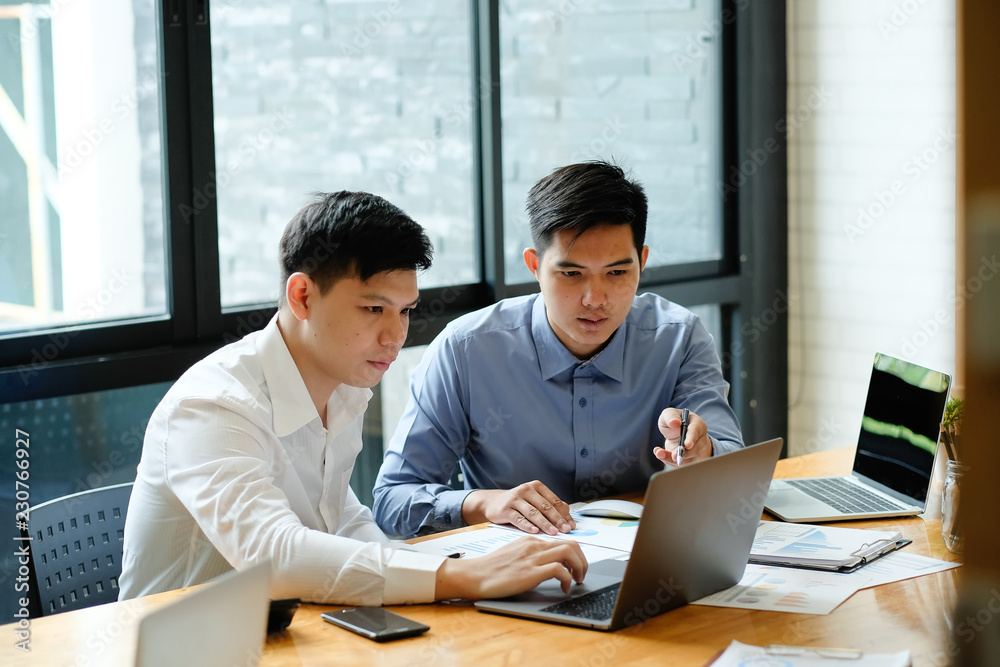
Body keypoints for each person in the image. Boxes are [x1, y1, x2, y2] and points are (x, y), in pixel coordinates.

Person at [118, 191, 586, 606]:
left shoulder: (342, 384)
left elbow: (340, 518)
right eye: (373, 309)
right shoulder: (213, 405)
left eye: (405, 311)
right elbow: (272, 556)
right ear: (302, 296)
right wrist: (460, 576)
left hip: (290, 635)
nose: (395, 336)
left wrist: (452, 568)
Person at [372, 161, 744, 540]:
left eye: (617, 273)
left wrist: (705, 451)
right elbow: (393, 500)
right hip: (515, 573)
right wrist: (485, 504)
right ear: (535, 266)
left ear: (642, 263)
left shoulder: (679, 339)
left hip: (647, 563)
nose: (595, 299)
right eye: (571, 273)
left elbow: (735, 466)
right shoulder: (466, 350)